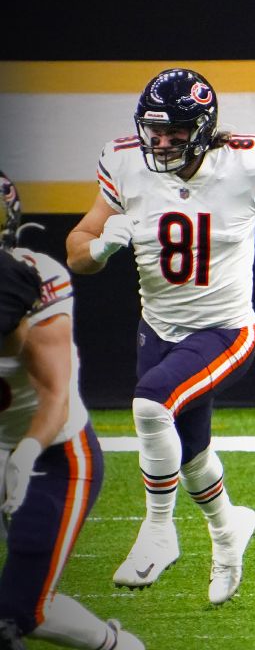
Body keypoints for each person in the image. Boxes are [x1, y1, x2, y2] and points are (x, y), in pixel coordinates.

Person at [65, 68, 255, 605]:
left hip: (225, 330)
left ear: (204, 129)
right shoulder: (124, 165)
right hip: (158, 328)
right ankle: (230, 531)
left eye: (176, 133)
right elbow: (78, 247)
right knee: (190, 454)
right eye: (153, 131)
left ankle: (159, 530)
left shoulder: (242, 165)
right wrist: (98, 248)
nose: (161, 144)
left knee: (150, 404)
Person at [0, 175, 144, 650]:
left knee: (24, 610)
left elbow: (54, 394)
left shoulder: (34, 280)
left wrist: (23, 455)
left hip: (51, 455)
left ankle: (120, 647)